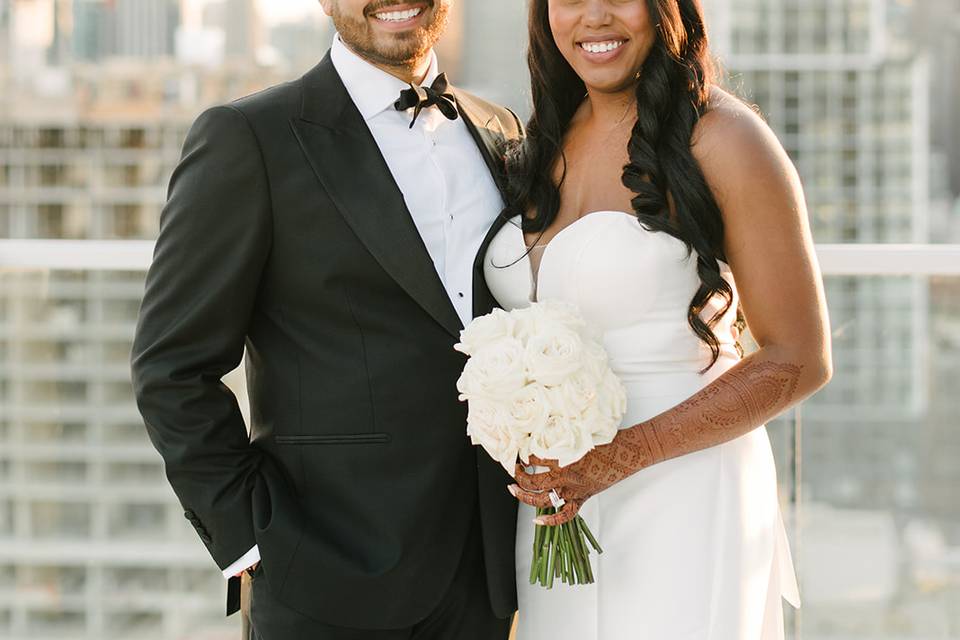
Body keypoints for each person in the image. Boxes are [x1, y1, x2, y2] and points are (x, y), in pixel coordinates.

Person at [130, 1, 522, 638]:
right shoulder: (249, 136)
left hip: (486, 581)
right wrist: (252, 541)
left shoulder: (499, 129)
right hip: (324, 582)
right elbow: (170, 368)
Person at [480, 0, 833, 638]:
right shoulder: (544, 137)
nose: (594, 17)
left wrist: (616, 460)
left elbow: (799, 357)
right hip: (560, 505)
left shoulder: (725, 137)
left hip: (685, 488)